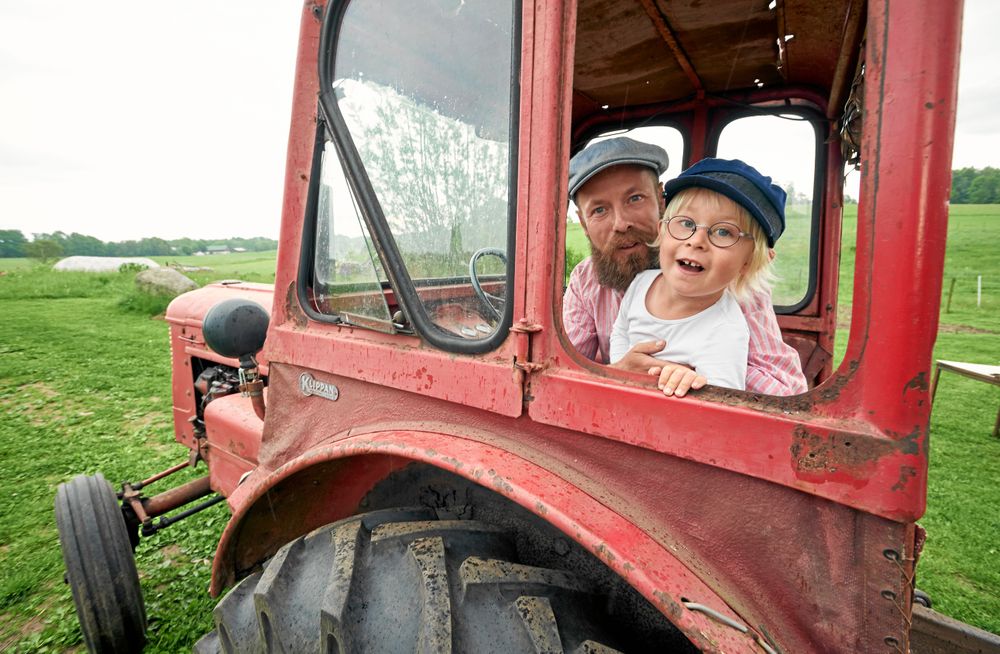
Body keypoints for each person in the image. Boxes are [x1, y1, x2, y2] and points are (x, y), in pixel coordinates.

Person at [563, 137, 807, 396]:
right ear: (583, 222)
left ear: (660, 198)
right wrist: (619, 371)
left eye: (635, 198)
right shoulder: (585, 279)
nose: (621, 223)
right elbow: (561, 374)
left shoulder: (728, 277)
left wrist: (697, 373)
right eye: (599, 210)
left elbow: (786, 389)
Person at [610, 158, 785, 396]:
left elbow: (723, 407)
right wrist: (620, 370)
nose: (696, 241)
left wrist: (692, 385)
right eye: (686, 223)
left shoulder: (726, 330)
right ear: (662, 232)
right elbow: (621, 331)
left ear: (749, 261)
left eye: (724, 231)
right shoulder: (642, 282)